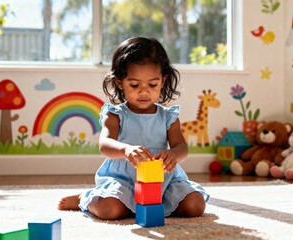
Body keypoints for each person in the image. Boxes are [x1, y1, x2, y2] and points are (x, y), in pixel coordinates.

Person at [58, 37, 209, 220]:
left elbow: (181, 147)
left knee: (196, 205)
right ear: (120, 82)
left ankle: (156, 205)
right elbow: (105, 144)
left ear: (163, 80)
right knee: (109, 210)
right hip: (124, 181)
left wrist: (174, 155)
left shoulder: (168, 116)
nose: (144, 92)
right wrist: (125, 149)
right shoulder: (116, 114)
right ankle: (85, 198)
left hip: (163, 181)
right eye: (135, 85)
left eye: (152, 84)